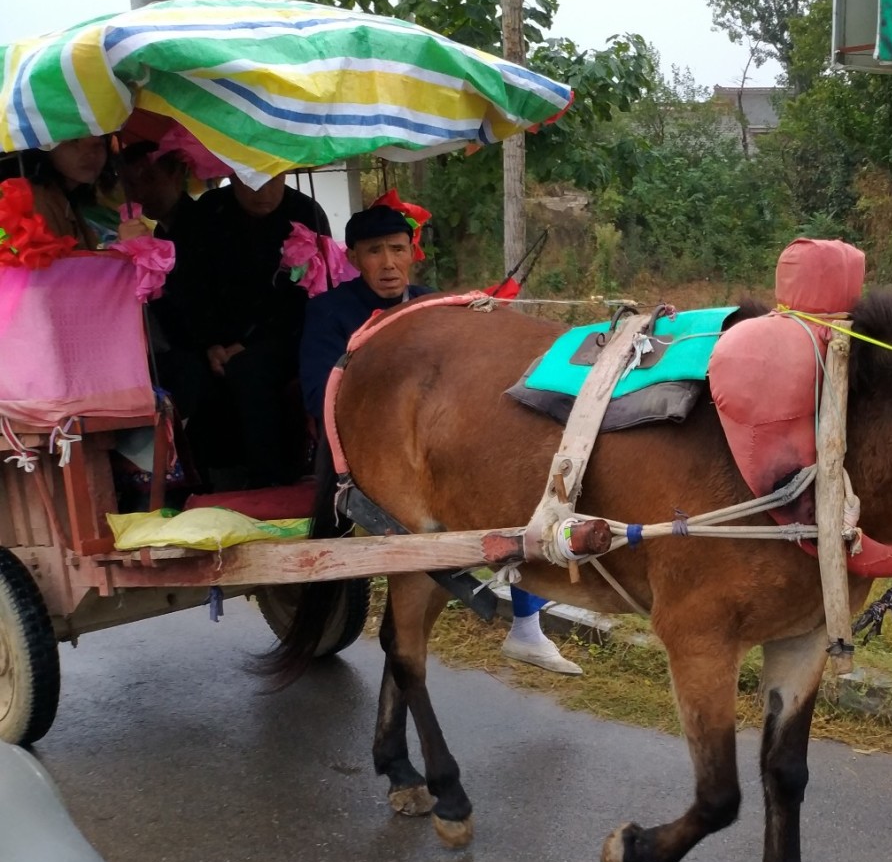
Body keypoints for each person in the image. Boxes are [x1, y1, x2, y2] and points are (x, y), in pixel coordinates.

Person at [301, 201, 581, 677]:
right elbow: (318, 395)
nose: (388, 264)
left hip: (436, 441)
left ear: (414, 253)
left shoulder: (437, 307)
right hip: (366, 449)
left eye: (397, 249)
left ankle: (528, 624)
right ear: (352, 259)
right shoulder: (329, 312)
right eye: (374, 252)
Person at [164, 173, 328, 488]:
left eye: (272, 180)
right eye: (250, 180)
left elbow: (310, 292)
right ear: (231, 175)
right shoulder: (208, 213)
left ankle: (268, 482)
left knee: (251, 370)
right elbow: (191, 288)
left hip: (287, 335)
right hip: (215, 340)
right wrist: (209, 343)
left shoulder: (306, 212)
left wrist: (249, 343)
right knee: (186, 374)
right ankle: (198, 478)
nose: (262, 191)